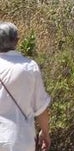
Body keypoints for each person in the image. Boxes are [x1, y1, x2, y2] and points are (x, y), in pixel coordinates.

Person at [0, 22, 50, 151]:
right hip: (19, 139)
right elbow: (41, 106)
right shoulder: (29, 66)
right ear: (17, 41)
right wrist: (45, 133)